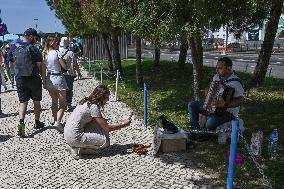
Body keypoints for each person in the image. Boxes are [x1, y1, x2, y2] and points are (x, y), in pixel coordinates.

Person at [64, 85, 131, 160]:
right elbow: (107, 128)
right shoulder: (94, 107)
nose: (108, 100)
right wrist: (124, 124)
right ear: (101, 97)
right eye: (106, 97)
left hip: (67, 133)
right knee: (106, 141)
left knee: (99, 123)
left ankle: (81, 146)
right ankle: (76, 147)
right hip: (75, 137)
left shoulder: (85, 101)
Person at [188, 57, 244, 131]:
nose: (217, 70)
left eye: (220, 68)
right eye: (217, 68)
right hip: (212, 108)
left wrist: (225, 104)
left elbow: (240, 100)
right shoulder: (217, 77)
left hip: (228, 113)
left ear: (229, 68)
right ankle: (195, 130)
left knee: (209, 124)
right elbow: (210, 88)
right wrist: (208, 92)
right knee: (192, 105)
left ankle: (210, 127)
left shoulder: (236, 83)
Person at [7, 28, 46, 137]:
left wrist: (15, 76)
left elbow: (10, 64)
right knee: (36, 102)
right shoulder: (34, 49)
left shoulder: (14, 47)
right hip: (34, 79)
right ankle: (37, 123)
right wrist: (44, 80)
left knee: (23, 103)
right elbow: (40, 66)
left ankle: (21, 124)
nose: (36, 39)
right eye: (35, 37)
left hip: (20, 79)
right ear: (30, 36)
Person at [43, 36, 68, 132]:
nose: (57, 44)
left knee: (54, 101)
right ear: (51, 43)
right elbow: (64, 67)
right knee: (62, 102)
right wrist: (66, 65)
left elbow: (43, 69)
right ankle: (58, 122)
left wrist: (44, 81)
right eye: (56, 42)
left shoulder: (44, 54)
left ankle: (54, 120)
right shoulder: (57, 53)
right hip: (58, 77)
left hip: (49, 77)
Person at [59, 38, 82, 111]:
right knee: (69, 89)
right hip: (69, 73)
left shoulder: (58, 52)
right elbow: (75, 64)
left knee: (62, 90)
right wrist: (79, 72)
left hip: (59, 73)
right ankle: (68, 104)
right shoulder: (71, 53)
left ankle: (62, 104)